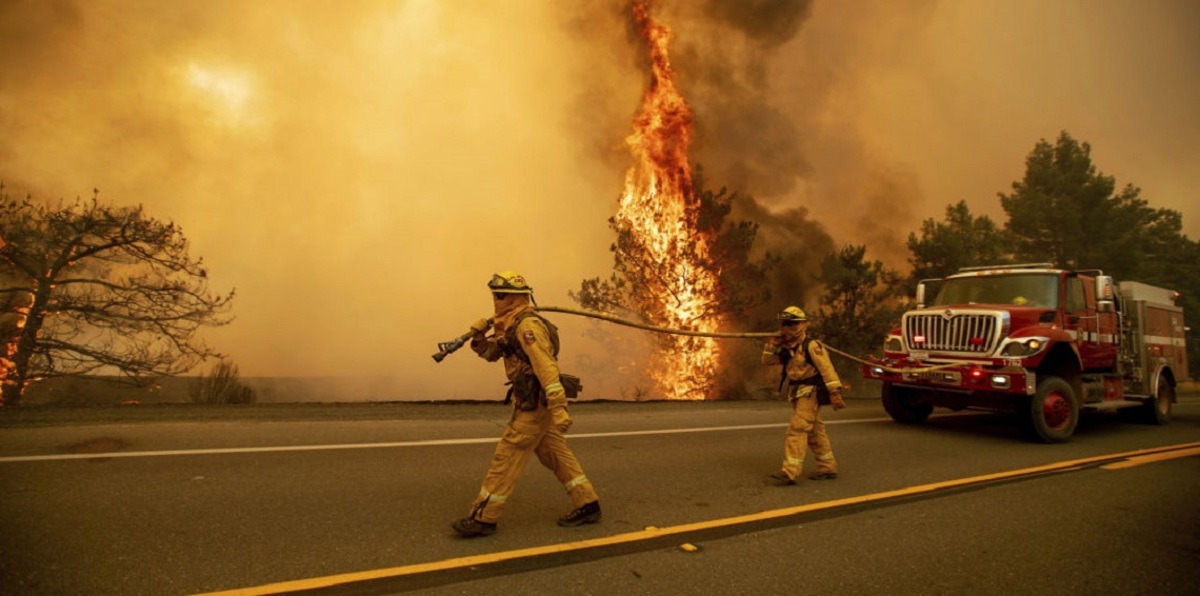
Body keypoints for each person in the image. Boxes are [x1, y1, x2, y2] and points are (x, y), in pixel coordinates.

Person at [450, 270, 601, 538]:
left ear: (514, 296)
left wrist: (558, 407)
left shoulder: (527, 326)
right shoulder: (509, 325)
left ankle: (484, 518)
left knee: (507, 455)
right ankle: (588, 503)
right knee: (554, 453)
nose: (495, 300)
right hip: (529, 400)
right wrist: (478, 338)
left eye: (499, 295)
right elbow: (491, 354)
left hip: (537, 404)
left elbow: (546, 368)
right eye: (494, 295)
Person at [761, 306, 847, 486]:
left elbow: (827, 370)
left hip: (811, 392)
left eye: (792, 324)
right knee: (815, 432)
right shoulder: (787, 348)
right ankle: (828, 467)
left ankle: (790, 472)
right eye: (785, 324)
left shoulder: (812, 346)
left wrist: (835, 393)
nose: (788, 328)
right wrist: (772, 345)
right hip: (797, 393)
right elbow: (767, 361)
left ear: (803, 325)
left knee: (798, 428)